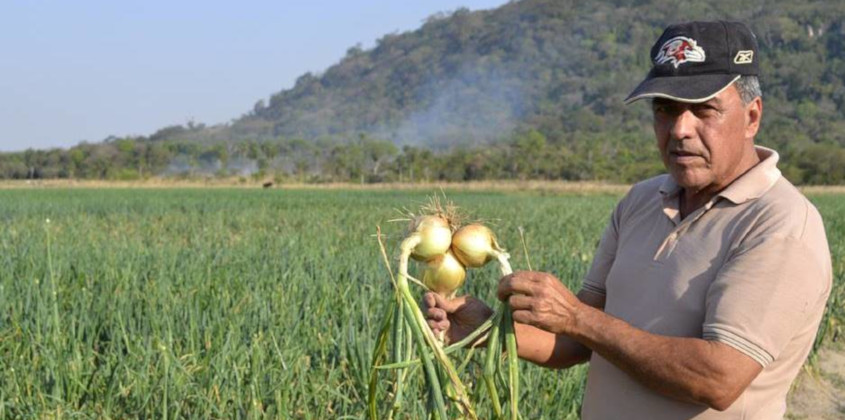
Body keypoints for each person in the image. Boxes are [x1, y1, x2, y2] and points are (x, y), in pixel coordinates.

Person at [425, 21, 832, 419]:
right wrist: (483, 333)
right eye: (665, 110)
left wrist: (576, 317)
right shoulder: (642, 201)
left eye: (704, 110)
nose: (679, 130)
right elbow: (577, 343)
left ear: (752, 116)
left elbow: (718, 379)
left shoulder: (779, 225)